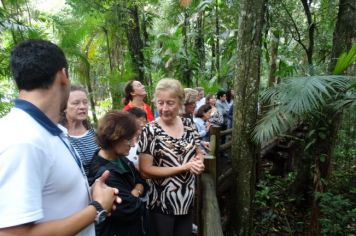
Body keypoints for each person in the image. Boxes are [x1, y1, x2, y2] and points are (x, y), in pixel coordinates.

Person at [0, 39, 120, 235]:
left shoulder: (47, 130)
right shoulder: (23, 140)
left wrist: (88, 195)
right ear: (63, 75)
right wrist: (97, 208)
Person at [138, 78, 205, 236]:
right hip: (162, 205)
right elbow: (145, 170)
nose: (165, 108)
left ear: (180, 103)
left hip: (187, 200)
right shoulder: (150, 130)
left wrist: (199, 163)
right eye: (160, 103)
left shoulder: (189, 125)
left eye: (170, 103)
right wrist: (183, 167)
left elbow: (199, 152)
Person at [87, 110, 149, 236]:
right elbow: (130, 210)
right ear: (114, 136)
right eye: (128, 139)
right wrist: (138, 191)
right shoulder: (105, 174)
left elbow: (142, 180)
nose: (133, 144)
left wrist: (135, 191)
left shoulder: (120, 158)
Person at [61, 85, 99, 175]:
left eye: (85, 102)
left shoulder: (96, 134)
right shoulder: (60, 137)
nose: (82, 106)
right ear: (64, 107)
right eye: (76, 103)